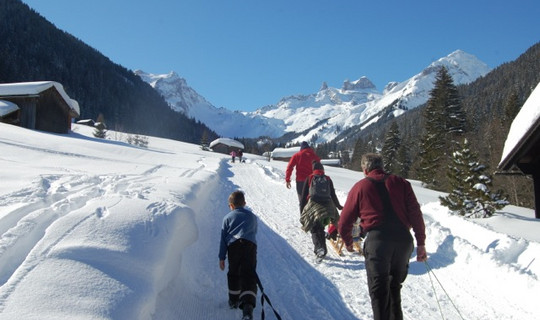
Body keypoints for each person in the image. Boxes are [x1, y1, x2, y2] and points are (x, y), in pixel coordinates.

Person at [338, 153, 427, 320]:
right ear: (382, 166)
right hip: (403, 241)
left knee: (379, 293)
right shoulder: (402, 183)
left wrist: (348, 241)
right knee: (394, 288)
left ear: (365, 169)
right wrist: (421, 243)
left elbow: (344, 221)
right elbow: (416, 214)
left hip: (378, 242)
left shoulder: (360, 187)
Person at [219, 191, 258, 320]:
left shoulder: (227, 218)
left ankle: (234, 300)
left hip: (233, 247)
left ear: (231, 206)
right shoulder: (252, 217)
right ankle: (247, 307)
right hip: (250, 247)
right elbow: (254, 231)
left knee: (234, 273)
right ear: (244, 203)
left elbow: (223, 239)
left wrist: (222, 257)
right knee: (249, 274)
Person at [299, 161, 343, 260]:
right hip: (328, 208)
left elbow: (303, 198)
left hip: (314, 207)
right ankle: (322, 248)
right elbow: (333, 194)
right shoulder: (327, 179)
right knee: (321, 227)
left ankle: (320, 249)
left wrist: (302, 211)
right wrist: (338, 206)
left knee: (315, 228)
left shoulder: (310, 178)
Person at [285, 141, 321, 211]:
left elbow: (290, 167)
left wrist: (287, 179)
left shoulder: (297, 155)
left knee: (302, 201)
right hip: (313, 181)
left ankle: (304, 218)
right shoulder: (315, 156)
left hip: (301, 182)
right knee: (313, 201)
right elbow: (320, 169)